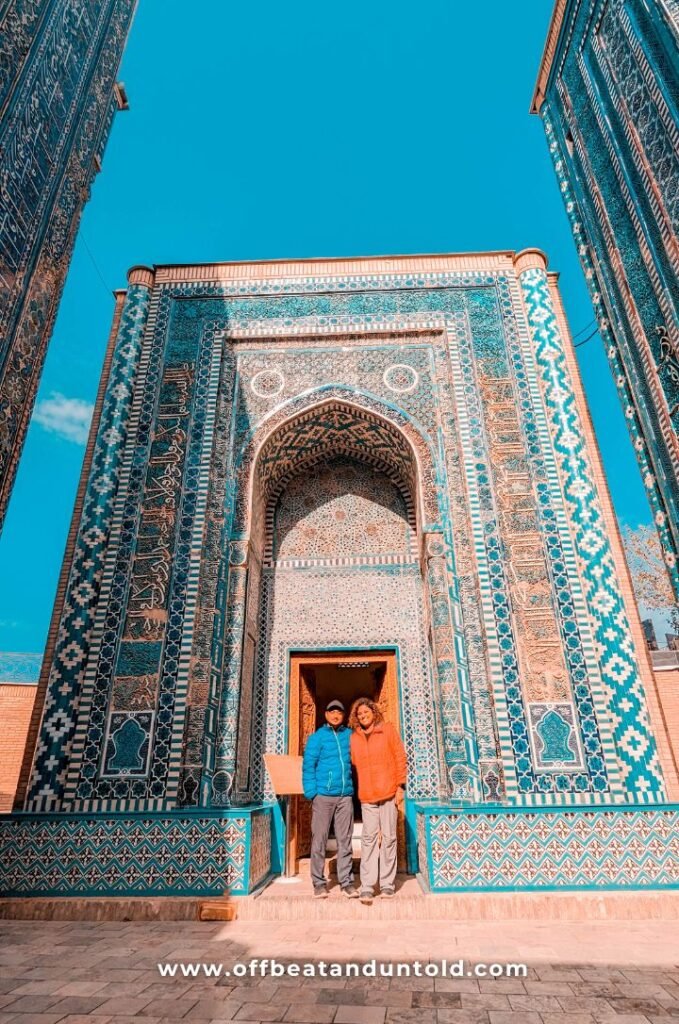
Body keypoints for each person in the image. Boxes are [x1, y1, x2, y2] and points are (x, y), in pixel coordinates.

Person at [349, 697, 407, 904]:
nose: (364, 716)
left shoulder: (387, 730)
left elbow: (399, 756)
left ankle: (387, 885)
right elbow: (352, 762)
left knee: (390, 837)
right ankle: (366, 886)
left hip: (388, 792)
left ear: (374, 712)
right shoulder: (354, 738)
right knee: (368, 840)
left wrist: (400, 785)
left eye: (366, 712)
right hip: (367, 795)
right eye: (360, 714)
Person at [302, 699, 359, 899]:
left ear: (343, 716)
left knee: (345, 840)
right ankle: (318, 883)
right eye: (332, 712)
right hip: (323, 796)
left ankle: (346, 882)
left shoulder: (349, 736)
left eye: (339, 713)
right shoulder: (317, 738)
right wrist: (312, 793)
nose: (336, 715)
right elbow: (308, 765)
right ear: (326, 714)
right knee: (320, 839)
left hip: (345, 796)